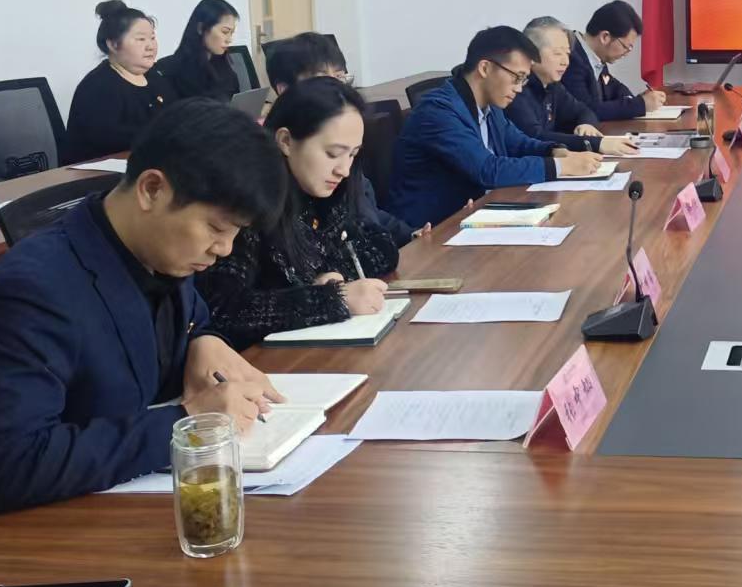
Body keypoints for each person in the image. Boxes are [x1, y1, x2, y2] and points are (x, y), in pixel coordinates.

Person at [0, 101, 286, 569]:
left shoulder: (158, 249)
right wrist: (186, 422)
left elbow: (188, 320)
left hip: (105, 517)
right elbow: (10, 465)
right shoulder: (35, 289)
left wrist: (205, 339)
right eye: (217, 228)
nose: (224, 249)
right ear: (152, 189)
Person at [197, 78, 398, 349]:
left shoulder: (327, 190)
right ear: (286, 141)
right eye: (333, 153)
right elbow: (224, 311)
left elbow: (382, 245)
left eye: (352, 155)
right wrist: (330, 298)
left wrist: (333, 274)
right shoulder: (250, 202)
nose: (344, 169)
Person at [389, 26, 600, 227]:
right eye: (517, 77)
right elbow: (487, 169)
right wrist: (560, 166)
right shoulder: (439, 110)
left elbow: (518, 143)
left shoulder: (489, 104)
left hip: (475, 214)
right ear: (485, 68)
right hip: (431, 230)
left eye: (524, 80)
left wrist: (554, 150)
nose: (519, 89)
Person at [265, 31, 427, 246]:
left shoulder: (339, 161)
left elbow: (368, 215)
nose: (344, 170)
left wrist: (410, 235)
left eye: (340, 77)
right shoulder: (261, 197)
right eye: (322, 79)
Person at [64, 0, 171, 163]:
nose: (150, 46)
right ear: (113, 44)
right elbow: (110, 141)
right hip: (100, 174)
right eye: (141, 39)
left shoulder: (156, 77)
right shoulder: (98, 86)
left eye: (152, 38)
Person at [512, 18, 639, 155]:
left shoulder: (553, 86)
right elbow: (535, 136)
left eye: (567, 53)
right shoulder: (517, 89)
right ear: (531, 53)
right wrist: (593, 143)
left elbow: (584, 111)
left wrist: (585, 124)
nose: (565, 62)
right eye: (557, 53)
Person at [562, 1, 667, 122]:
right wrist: (639, 105)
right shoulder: (571, 58)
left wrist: (638, 100)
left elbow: (614, 87)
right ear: (605, 37)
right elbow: (586, 111)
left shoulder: (596, 56)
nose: (626, 53)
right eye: (625, 47)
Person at [155, 0, 241, 103]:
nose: (229, 39)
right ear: (201, 28)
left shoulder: (226, 69)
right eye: (225, 32)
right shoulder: (171, 70)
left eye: (231, 33)